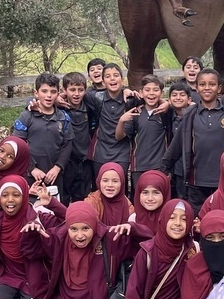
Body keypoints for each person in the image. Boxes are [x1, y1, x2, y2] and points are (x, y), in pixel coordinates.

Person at [17, 201, 152, 299]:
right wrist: (31, 233)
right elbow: (31, 252)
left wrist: (134, 229)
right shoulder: (59, 237)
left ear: (94, 225)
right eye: (73, 229)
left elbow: (149, 245)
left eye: (85, 229)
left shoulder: (109, 238)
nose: (79, 236)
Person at [161, 68, 224, 214]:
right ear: (196, 87)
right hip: (196, 183)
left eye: (212, 84)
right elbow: (176, 146)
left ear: (219, 88)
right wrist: (164, 169)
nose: (207, 88)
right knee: (199, 224)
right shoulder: (190, 115)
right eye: (202, 84)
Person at [12, 72, 74, 198]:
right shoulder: (26, 116)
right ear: (36, 93)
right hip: (31, 175)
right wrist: (32, 168)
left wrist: (58, 167)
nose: (48, 96)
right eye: (44, 91)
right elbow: (18, 145)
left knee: (54, 209)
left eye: (53, 91)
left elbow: (67, 145)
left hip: (54, 175)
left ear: (58, 93)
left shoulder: (64, 118)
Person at [116, 75, 172, 192]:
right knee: (140, 196)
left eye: (155, 90)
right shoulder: (136, 113)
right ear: (141, 93)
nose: (151, 93)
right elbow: (119, 136)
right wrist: (121, 120)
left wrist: (167, 103)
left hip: (160, 165)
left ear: (161, 93)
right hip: (139, 165)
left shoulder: (165, 112)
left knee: (160, 195)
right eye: (147, 90)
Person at [88, 63, 143, 183]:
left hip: (121, 152)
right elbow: (75, 94)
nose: (112, 78)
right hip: (101, 151)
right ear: (103, 82)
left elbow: (152, 98)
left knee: (119, 187)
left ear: (122, 80)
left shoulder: (132, 100)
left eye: (116, 75)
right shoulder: (95, 97)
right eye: (107, 76)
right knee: (100, 187)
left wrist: (164, 102)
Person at [60, 72, 93, 204]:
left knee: (82, 197)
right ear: (64, 90)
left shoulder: (89, 107)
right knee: (64, 196)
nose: (76, 94)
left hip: (85, 160)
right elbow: (36, 102)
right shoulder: (59, 109)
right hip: (66, 161)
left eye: (80, 90)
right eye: (72, 90)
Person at [167, 80, 193, 198]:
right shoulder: (167, 115)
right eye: (174, 95)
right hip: (176, 168)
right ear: (169, 99)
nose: (178, 98)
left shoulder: (195, 116)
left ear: (189, 99)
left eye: (182, 95)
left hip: (193, 166)